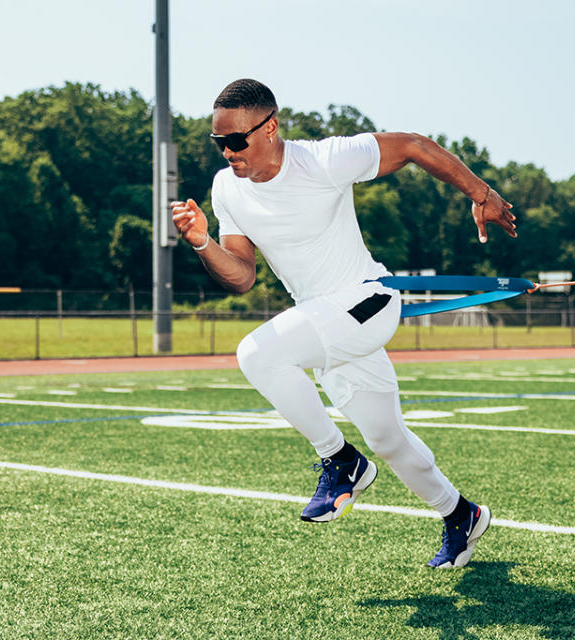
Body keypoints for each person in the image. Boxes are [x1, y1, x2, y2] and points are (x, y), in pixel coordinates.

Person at [171, 79, 517, 566]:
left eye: (236, 140)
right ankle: (461, 514)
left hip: (364, 303)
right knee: (388, 439)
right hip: (327, 325)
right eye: (218, 142)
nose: (227, 152)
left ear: (270, 129)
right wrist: (203, 243)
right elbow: (242, 276)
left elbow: (415, 145)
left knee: (256, 353)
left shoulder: (322, 160)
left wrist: (481, 193)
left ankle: (340, 461)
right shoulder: (226, 187)